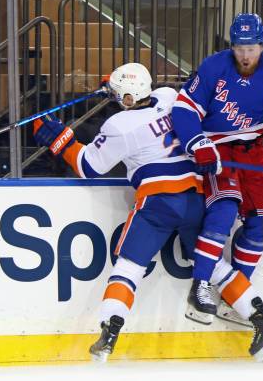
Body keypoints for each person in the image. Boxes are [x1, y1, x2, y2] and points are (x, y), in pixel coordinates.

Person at [32, 62, 205, 361]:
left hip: (158, 201)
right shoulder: (168, 96)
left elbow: (89, 166)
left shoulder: (119, 127)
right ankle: (259, 315)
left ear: (126, 98)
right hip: (195, 194)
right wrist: (116, 86)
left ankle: (110, 332)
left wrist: (61, 142)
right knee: (211, 263)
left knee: (128, 267)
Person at [170, 13, 263, 359]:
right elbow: (184, 110)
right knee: (224, 206)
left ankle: (237, 297)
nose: (245, 55)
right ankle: (200, 285)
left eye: (251, 48)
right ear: (231, 46)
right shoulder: (213, 67)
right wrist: (197, 144)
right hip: (216, 149)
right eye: (239, 48)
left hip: (251, 151)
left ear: (262, 45)